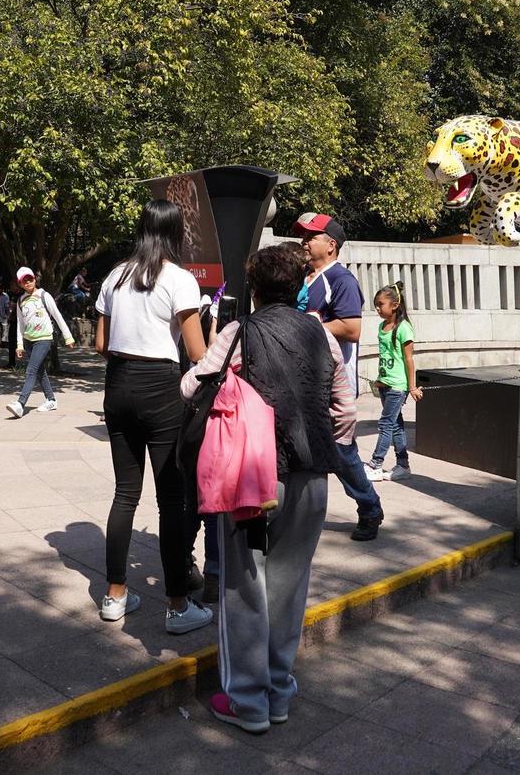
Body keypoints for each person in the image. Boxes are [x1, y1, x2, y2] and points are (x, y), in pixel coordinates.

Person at [181, 245, 355, 734]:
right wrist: (319, 445)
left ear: (254, 288)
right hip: (311, 478)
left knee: (244, 588)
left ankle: (247, 701)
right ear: (299, 286)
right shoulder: (322, 334)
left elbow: (192, 388)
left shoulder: (241, 332)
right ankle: (279, 692)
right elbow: (345, 410)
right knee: (289, 588)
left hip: (250, 481)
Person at [94, 199, 212, 634]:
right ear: (175, 232)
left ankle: (115, 595)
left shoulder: (115, 275)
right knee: (171, 499)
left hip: (118, 383)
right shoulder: (179, 279)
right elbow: (198, 354)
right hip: (161, 387)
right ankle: (178, 606)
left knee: (125, 493)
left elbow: (101, 345)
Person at [292, 213, 384, 541]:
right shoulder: (300, 276)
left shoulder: (341, 280)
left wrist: (308, 325)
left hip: (333, 384)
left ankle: (370, 507)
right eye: (303, 236)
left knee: (340, 452)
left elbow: (352, 328)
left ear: (331, 245)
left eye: (311, 236)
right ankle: (301, 515)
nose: (304, 241)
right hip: (300, 381)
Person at [366, 284, 423, 482]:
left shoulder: (404, 328)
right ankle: (403, 465)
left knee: (385, 423)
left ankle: (376, 464)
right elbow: (386, 357)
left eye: (380, 304)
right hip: (385, 384)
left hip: (398, 386)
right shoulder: (382, 327)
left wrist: (412, 386)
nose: (378, 309)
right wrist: (380, 380)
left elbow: (408, 360)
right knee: (396, 425)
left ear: (395, 305)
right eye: (376, 305)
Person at [8, 268, 74, 418]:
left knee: (31, 370)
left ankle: (20, 403)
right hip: (29, 341)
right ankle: (51, 400)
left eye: (30, 279)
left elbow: (57, 316)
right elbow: (20, 324)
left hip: (44, 339)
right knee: (39, 371)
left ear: (35, 279)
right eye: (24, 280)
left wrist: (68, 337)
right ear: (20, 283)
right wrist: (19, 344)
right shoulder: (21, 300)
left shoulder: (44, 295)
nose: (28, 282)